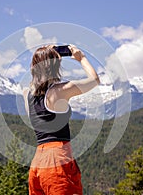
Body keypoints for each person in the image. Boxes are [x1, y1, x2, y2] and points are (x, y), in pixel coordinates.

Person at [23, 44, 100, 195]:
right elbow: (95, 80)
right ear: (55, 66)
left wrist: (46, 53)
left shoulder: (28, 95)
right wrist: (81, 58)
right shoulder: (60, 91)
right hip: (57, 159)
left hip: (37, 161)